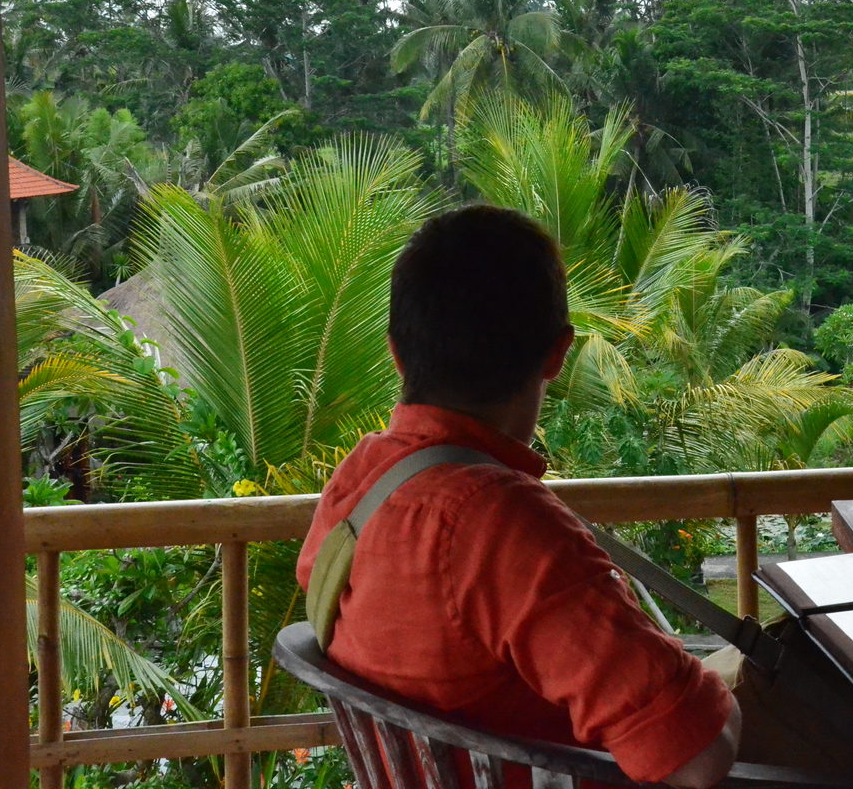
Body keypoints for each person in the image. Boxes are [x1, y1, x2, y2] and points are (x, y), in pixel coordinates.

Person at [296, 205, 740, 788]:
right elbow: (695, 760)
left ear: (397, 352)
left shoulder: (361, 483)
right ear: (558, 353)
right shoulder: (505, 528)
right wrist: (725, 693)